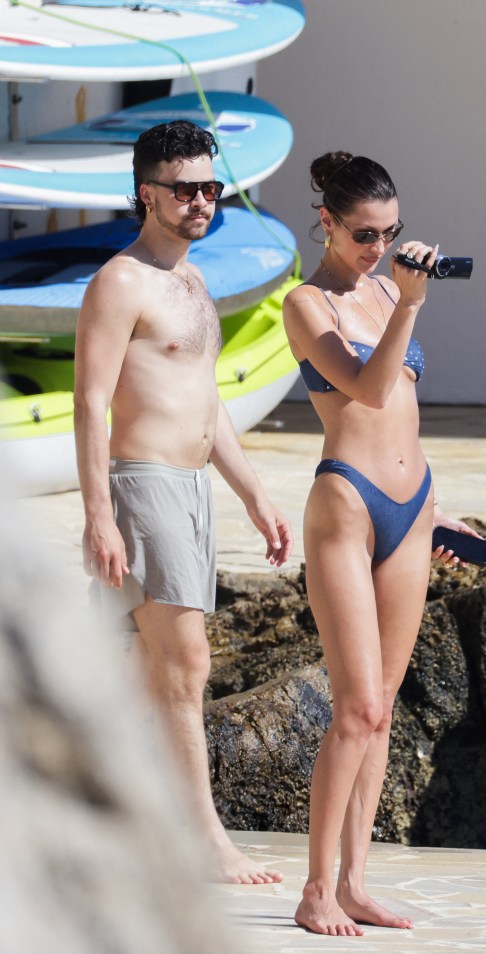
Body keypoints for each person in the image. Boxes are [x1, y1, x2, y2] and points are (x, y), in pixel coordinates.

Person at [74, 120, 292, 884]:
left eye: (211, 187)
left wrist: (256, 494)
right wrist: (99, 514)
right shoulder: (120, 281)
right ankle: (203, 834)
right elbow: (90, 403)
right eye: (185, 189)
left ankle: (88, 800)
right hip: (143, 485)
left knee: (146, 668)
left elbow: (207, 403)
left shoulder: (195, 282)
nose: (201, 201)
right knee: (187, 660)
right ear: (147, 193)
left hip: (194, 488)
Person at [282, 151, 478, 935]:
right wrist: (410, 305)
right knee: (355, 707)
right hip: (347, 504)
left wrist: (439, 509)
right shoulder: (308, 303)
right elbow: (364, 391)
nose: (379, 249)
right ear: (326, 221)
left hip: (413, 503)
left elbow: (404, 411)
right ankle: (315, 888)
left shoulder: (388, 288)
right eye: (365, 235)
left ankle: (357, 880)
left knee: (386, 711)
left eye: (391, 233)